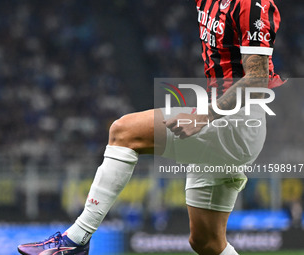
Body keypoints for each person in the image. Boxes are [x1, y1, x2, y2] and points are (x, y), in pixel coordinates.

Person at [18, 0, 283, 254]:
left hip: (235, 121)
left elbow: (258, 79)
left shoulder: (252, 3)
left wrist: (203, 116)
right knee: (207, 242)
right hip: (222, 121)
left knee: (124, 132)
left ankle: (75, 240)